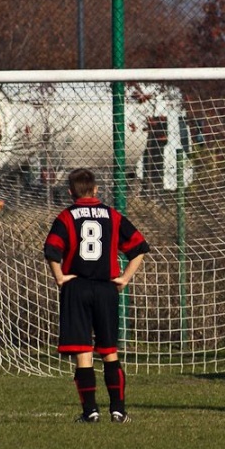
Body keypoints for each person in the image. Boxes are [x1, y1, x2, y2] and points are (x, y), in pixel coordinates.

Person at [43, 169, 149, 424]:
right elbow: (139, 247)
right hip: (105, 288)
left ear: (70, 192)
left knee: (83, 352)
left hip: (77, 288)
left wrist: (59, 276)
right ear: (96, 189)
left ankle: (90, 411)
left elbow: (51, 250)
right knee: (109, 351)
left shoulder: (66, 216)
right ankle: (118, 410)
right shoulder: (112, 216)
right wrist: (124, 278)